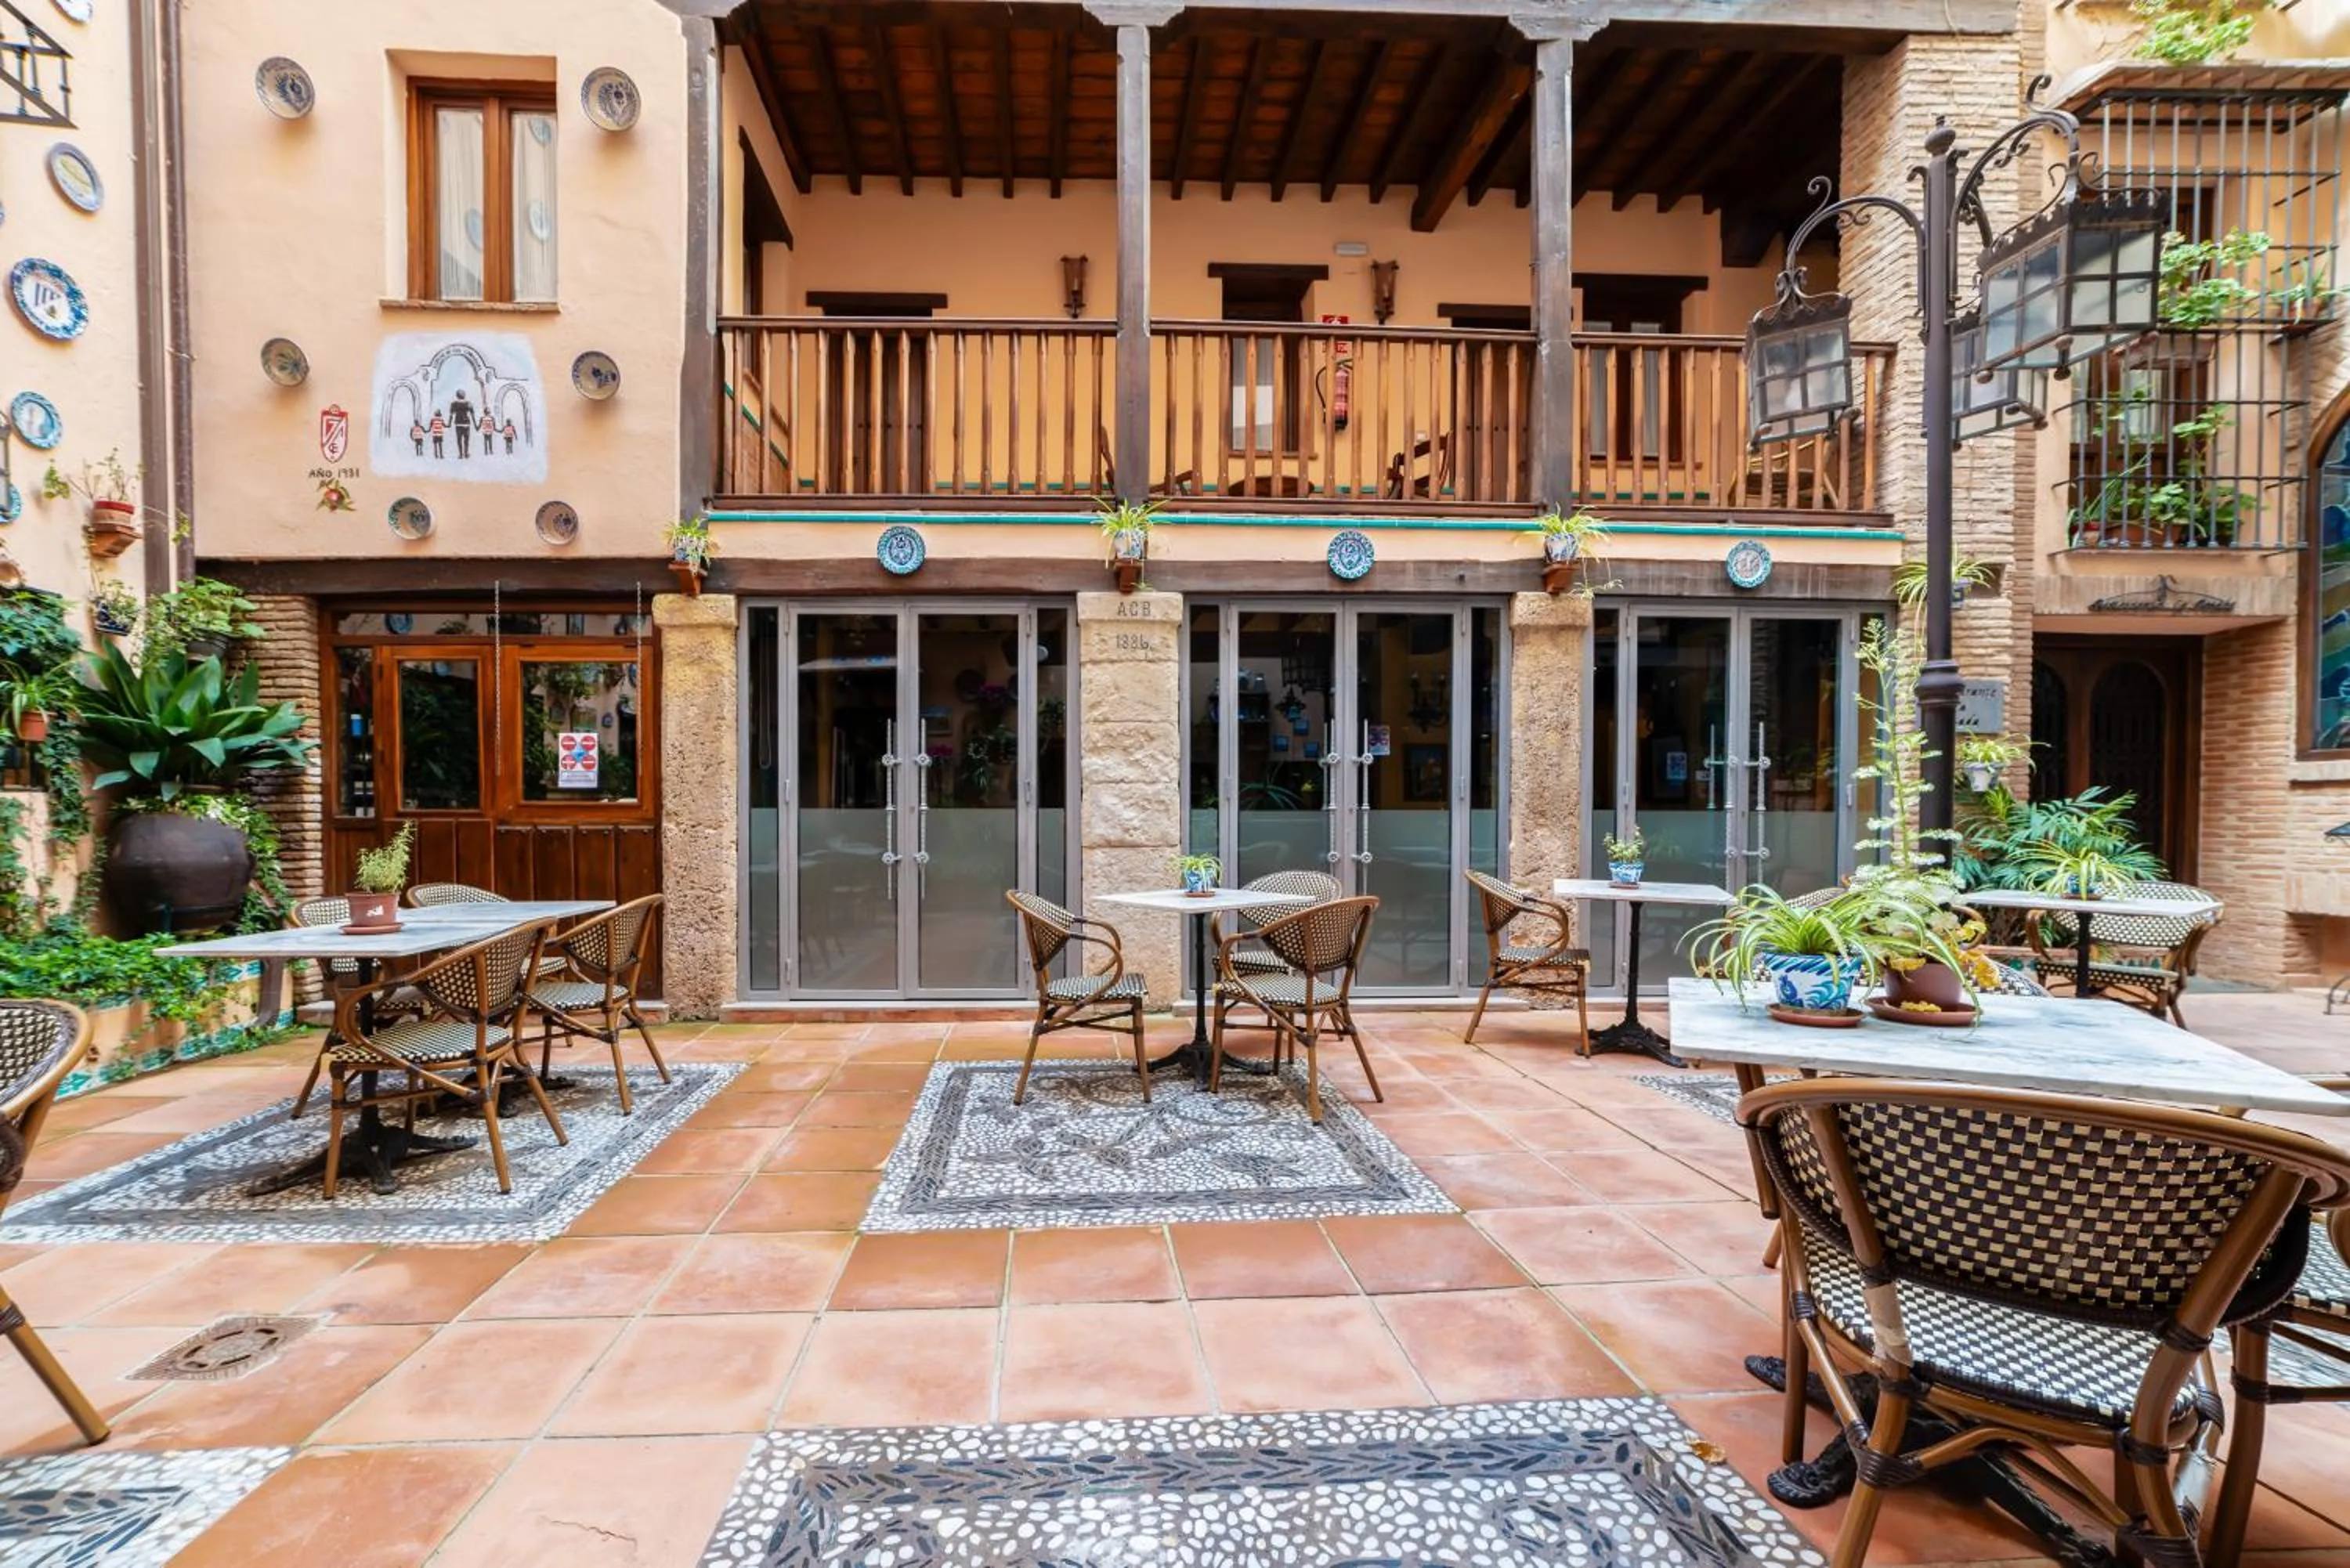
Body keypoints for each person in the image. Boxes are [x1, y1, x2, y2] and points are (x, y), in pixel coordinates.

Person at [449, 390, 475, 459]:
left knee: (459, 439)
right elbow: (472, 415)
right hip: (466, 423)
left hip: (458, 423)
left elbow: (451, 415)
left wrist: (449, 424)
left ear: (457, 395)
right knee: (466, 440)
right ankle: (466, 453)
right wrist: (476, 425)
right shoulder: (469, 403)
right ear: (464, 395)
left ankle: (460, 454)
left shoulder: (453, 404)